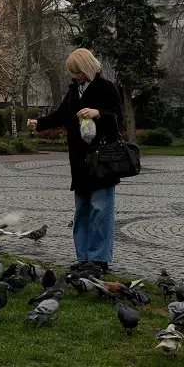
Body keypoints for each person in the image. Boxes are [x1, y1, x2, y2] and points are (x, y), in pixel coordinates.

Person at [27, 48, 124, 273]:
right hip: (79, 161)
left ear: (87, 67)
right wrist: (39, 124)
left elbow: (118, 117)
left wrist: (97, 113)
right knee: (82, 210)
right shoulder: (73, 92)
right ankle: (83, 257)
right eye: (73, 73)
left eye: (77, 72)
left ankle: (99, 259)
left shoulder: (107, 88)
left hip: (102, 160)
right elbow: (61, 116)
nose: (75, 77)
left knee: (101, 209)